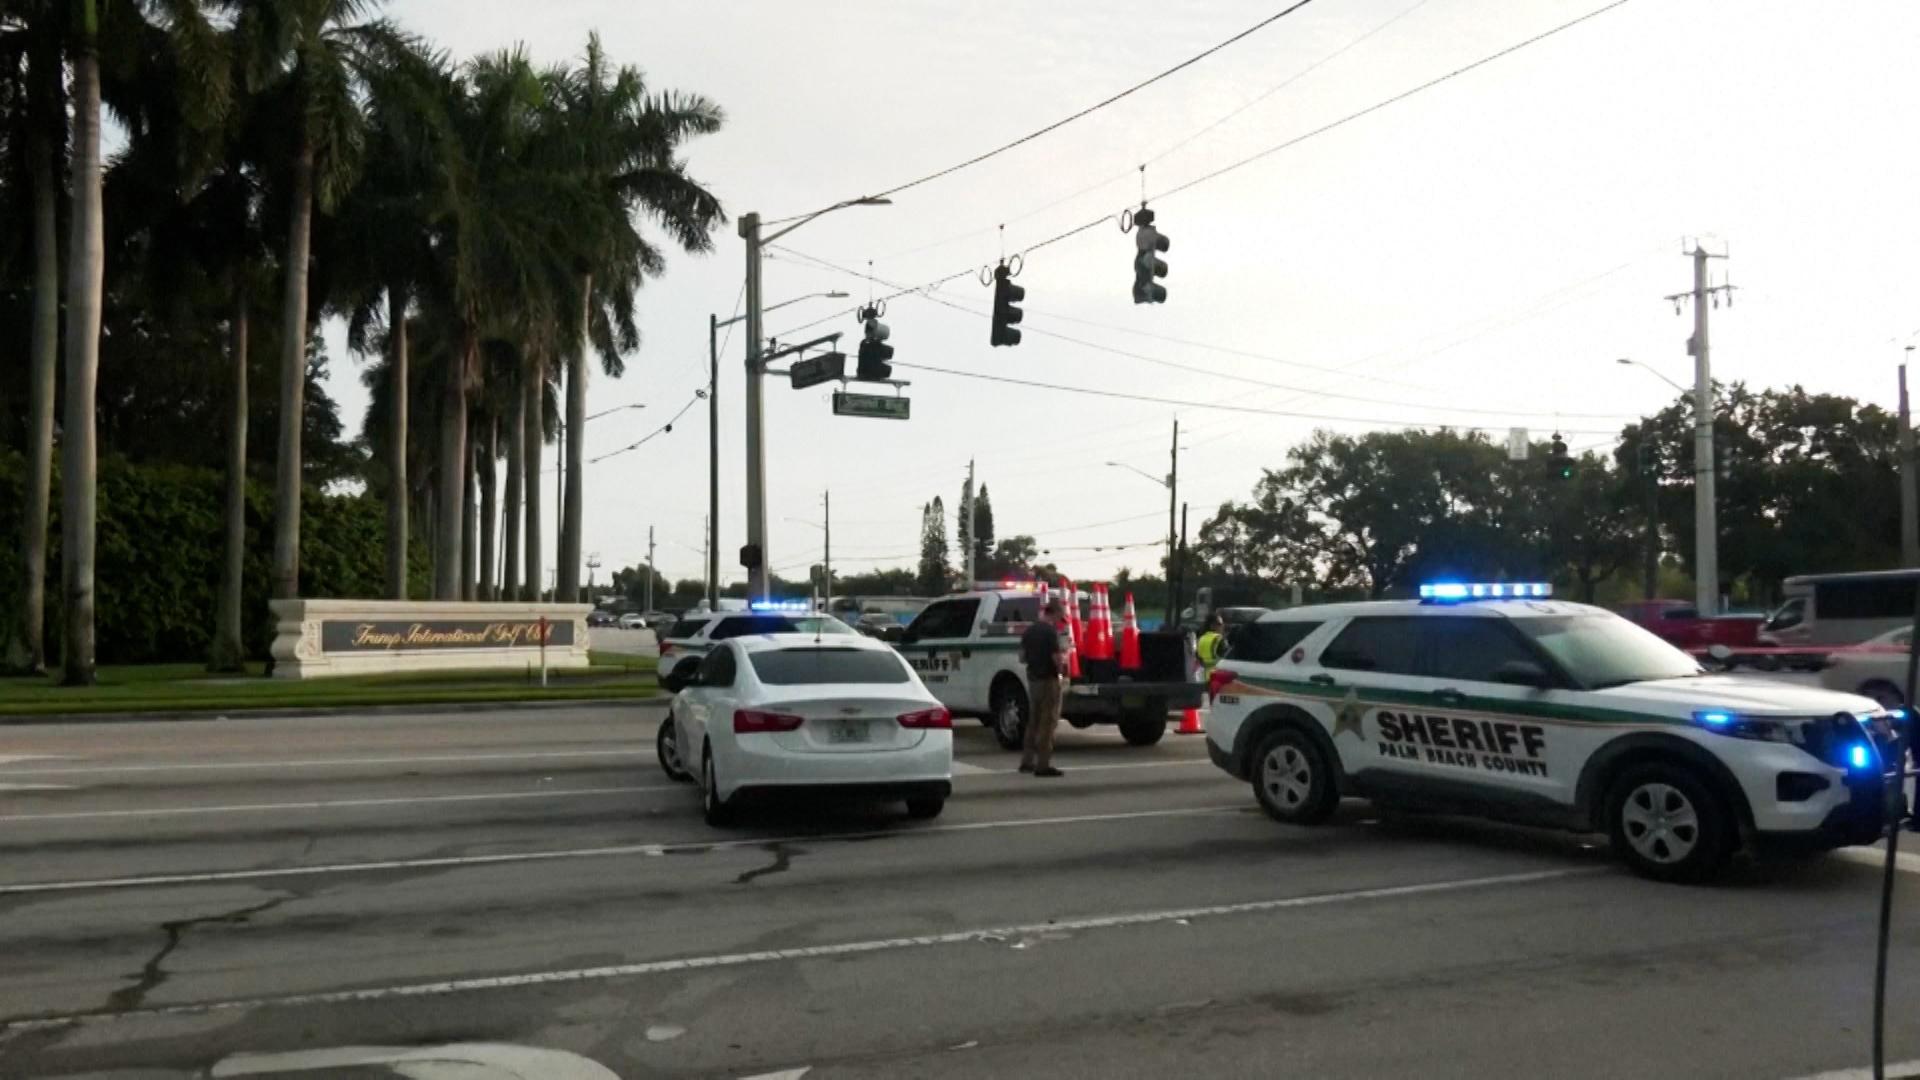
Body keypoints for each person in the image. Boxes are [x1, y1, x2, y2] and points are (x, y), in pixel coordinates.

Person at [1018, 597, 1070, 778]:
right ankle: (1043, 765)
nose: (1059, 621)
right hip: (1049, 680)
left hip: (1033, 680)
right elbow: (1056, 658)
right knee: (1048, 723)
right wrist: (1062, 672)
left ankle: (1026, 761)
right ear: (1054, 613)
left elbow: (1022, 657)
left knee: (1033, 720)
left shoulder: (1029, 631)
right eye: (1060, 617)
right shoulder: (1050, 632)